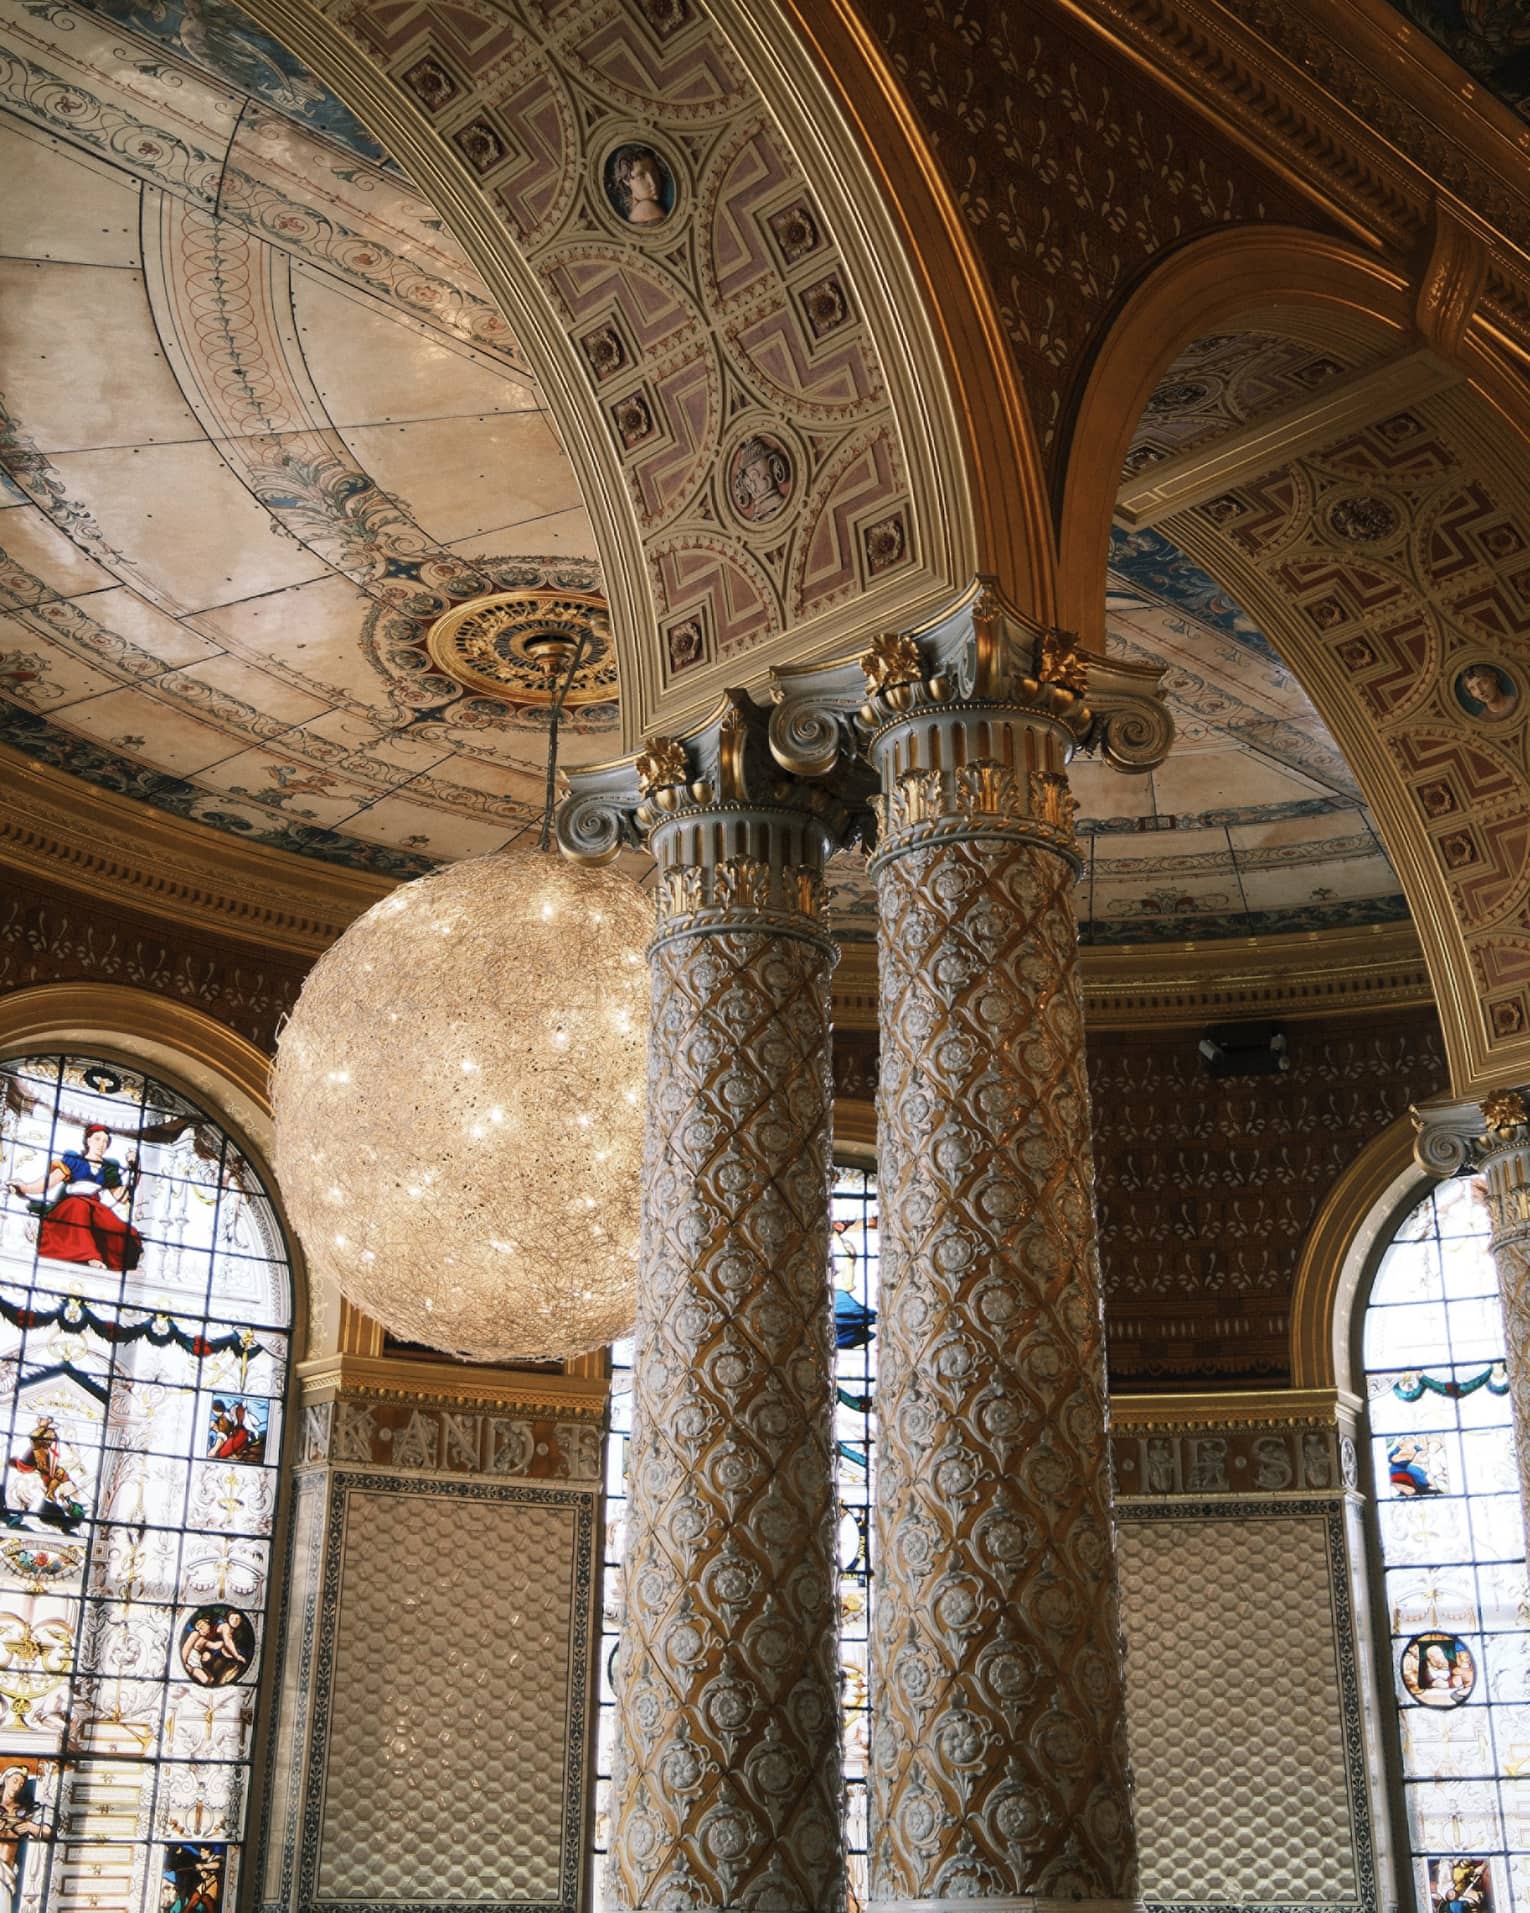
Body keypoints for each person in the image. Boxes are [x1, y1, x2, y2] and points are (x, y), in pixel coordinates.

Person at [10, 1123, 142, 1272]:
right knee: (79, 1207)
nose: (101, 1144)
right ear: (88, 1140)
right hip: (70, 1206)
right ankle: (89, 1256)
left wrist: (135, 1168)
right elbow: (47, 1184)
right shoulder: (74, 1162)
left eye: (105, 1141)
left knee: (116, 1227)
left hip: (94, 1207)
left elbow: (122, 1196)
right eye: (97, 1139)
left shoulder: (107, 1168)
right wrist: (25, 1187)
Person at [0, 1766, 47, 1913]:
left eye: (21, 1784)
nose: (17, 1787)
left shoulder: (24, 1811)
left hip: (7, 1872)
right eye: (15, 1781)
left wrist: (29, 1826)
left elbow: (48, 1832)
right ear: (5, 1780)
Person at [610, 147, 668, 225]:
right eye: (641, 176)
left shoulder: (634, 208)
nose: (653, 182)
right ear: (626, 181)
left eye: (654, 171)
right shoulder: (647, 207)